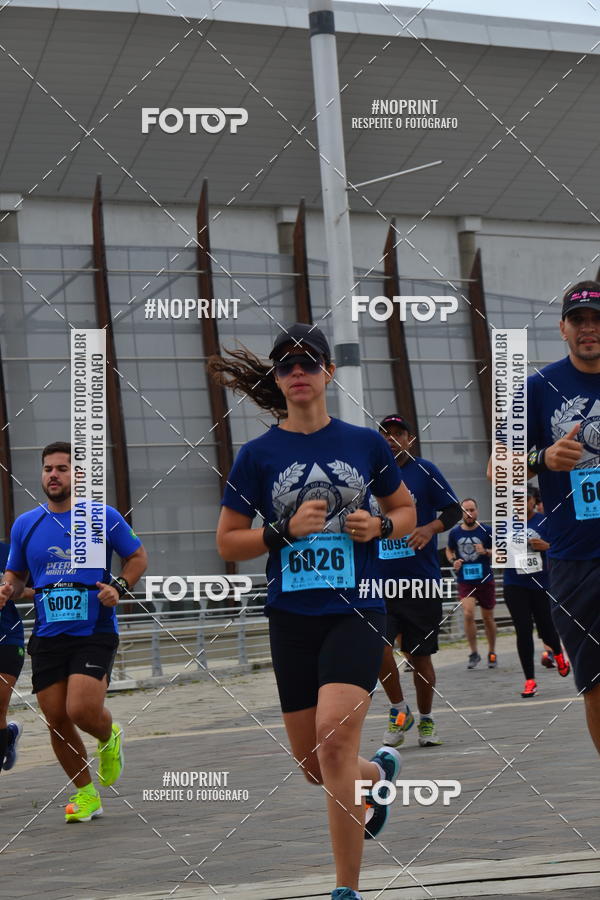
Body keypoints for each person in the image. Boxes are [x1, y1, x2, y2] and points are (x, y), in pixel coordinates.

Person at [210, 324, 416, 900]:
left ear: (327, 372)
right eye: (285, 366)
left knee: (332, 741)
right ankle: (376, 777)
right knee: (316, 766)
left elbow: (405, 509)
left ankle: (345, 890)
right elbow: (228, 542)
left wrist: (378, 526)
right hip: (291, 618)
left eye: (307, 362)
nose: (296, 372)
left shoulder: (364, 444)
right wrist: (278, 532)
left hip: (355, 608)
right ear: (278, 380)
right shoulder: (258, 455)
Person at [0, 442, 148, 820]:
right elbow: (17, 576)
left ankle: (108, 734)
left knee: (80, 708)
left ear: (78, 476)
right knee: (57, 718)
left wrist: (120, 586)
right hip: (48, 633)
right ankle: (86, 794)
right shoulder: (26, 524)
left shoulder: (103, 516)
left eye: (62, 468)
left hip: (94, 628)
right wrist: (8, 588)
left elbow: (137, 556)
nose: (53, 475)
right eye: (48, 468)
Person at [520, 282, 600, 752]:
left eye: (597, 320)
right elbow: (499, 465)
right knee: (594, 685)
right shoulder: (538, 388)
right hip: (574, 560)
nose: (589, 329)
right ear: (562, 329)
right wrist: (542, 459)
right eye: (579, 321)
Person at [373, 415, 461, 748]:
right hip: (378, 582)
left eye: (399, 434)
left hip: (419, 581)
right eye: (386, 434)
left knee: (418, 656)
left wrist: (429, 529)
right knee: (377, 648)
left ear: (410, 439)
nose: (392, 439)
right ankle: (399, 710)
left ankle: (426, 719)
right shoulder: (369, 474)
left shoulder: (425, 471)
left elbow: (452, 511)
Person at [503, 486, 570, 697]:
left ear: (533, 501)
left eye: (526, 499)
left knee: (547, 629)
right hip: (514, 583)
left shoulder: (545, 521)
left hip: (541, 583)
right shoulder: (505, 524)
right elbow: (497, 551)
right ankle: (529, 680)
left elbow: (561, 548)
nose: (521, 504)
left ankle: (558, 653)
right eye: (517, 500)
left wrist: (546, 546)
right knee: (523, 631)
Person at [446, 499, 497, 669]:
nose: (469, 513)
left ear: (477, 511)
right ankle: (474, 652)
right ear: (462, 512)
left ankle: (492, 651)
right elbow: (449, 550)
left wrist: (486, 551)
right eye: (466, 510)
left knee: (487, 617)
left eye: (472, 510)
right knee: (468, 613)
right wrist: (454, 560)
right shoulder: (455, 533)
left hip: (485, 579)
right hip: (465, 580)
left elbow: (500, 550)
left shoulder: (486, 530)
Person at [0, 540, 34, 773]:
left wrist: (10, 592)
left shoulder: (7, 553)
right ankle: (9, 735)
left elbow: (36, 587)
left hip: (7, 639)